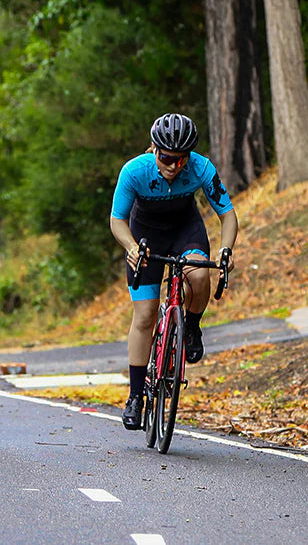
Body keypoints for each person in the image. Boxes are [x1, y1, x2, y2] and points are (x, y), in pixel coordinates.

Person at [109, 113, 238, 430]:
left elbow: (228, 214)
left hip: (185, 230)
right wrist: (131, 247)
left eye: (182, 159)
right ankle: (136, 397)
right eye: (167, 158)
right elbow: (117, 220)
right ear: (155, 149)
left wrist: (226, 249)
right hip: (146, 236)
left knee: (197, 275)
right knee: (145, 315)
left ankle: (191, 326)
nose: (175, 166)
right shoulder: (135, 171)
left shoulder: (201, 168)